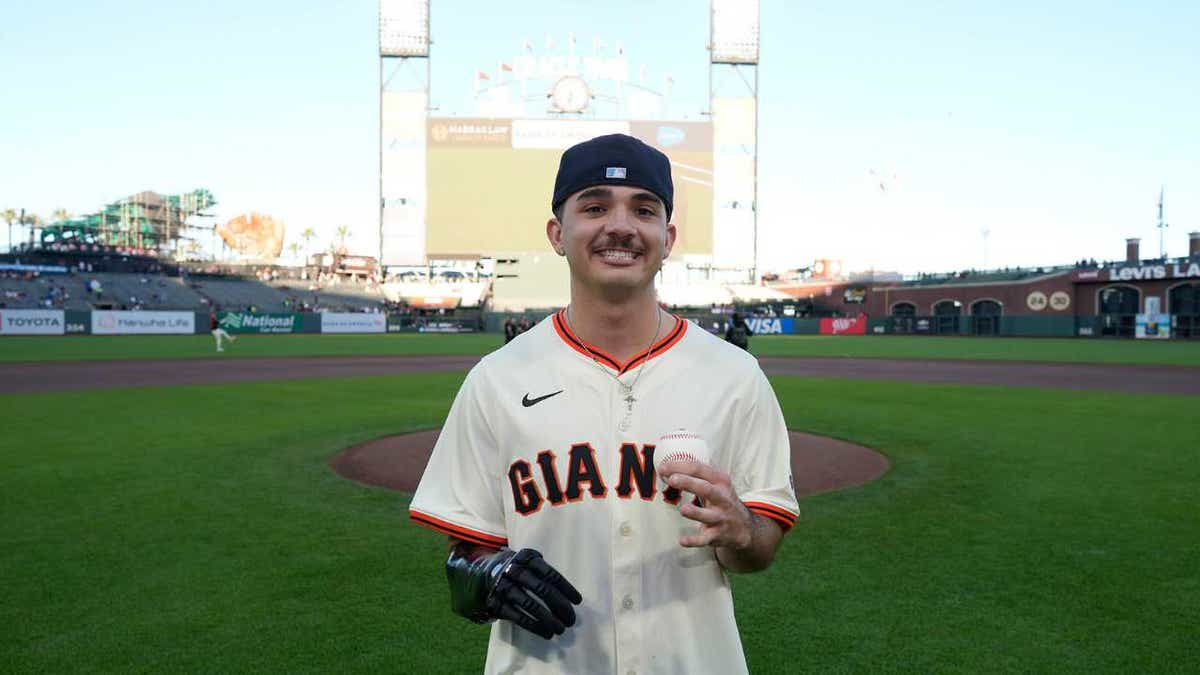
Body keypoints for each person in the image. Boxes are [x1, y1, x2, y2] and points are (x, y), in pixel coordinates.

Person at [409, 134, 798, 674]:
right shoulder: (496, 381)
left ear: (668, 236)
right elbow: (465, 552)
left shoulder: (735, 376)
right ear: (557, 233)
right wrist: (487, 575)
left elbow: (760, 545)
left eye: (643, 209)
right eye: (594, 206)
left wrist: (742, 530)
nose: (620, 225)